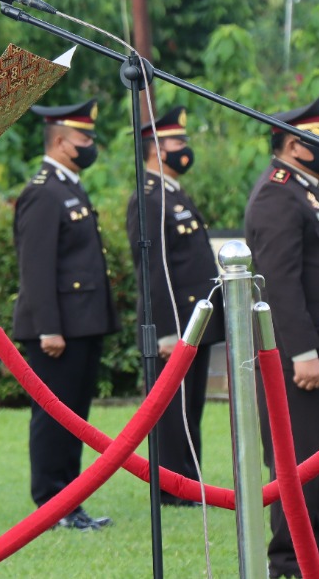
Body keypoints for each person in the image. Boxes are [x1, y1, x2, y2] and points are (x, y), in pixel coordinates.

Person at [244, 93, 319, 579]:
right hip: (304, 359)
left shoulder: (307, 188)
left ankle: (317, 560)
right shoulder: (277, 193)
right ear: (294, 144)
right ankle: (290, 564)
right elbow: (279, 282)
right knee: (301, 468)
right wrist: (303, 351)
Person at [13, 100, 119, 530]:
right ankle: (52, 503)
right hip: (57, 332)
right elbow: (35, 268)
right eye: (83, 138)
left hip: (82, 325)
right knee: (55, 420)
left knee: (75, 420)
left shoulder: (69, 185)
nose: (90, 145)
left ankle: (70, 501)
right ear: (59, 141)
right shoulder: (43, 190)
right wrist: (49, 329)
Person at [124, 105, 224, 506]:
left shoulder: (172, 191)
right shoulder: (147, 197)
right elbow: (149, 268)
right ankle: (171, 487)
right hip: (174, 326)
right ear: (155, 150)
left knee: (190, 407)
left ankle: (188, 479)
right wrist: (165, 330)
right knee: (170, 411)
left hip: (193, 322)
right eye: (176, 142)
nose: (185, 149)